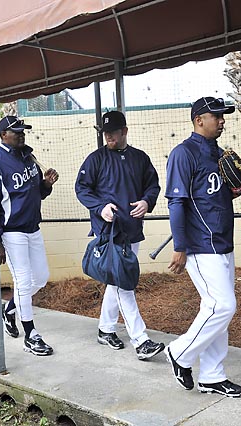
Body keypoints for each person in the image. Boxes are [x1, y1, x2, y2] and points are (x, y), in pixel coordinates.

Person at [164, 97, 241, 397]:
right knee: (222, 306)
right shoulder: (183, 154)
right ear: (199, 120)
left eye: (223, 116)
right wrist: (180, 246)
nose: (222, 120)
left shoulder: (219, 154)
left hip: (223, 241)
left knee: (217, 312)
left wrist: (237, 189)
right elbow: (177, 202)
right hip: (200, 245)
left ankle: (212, 375)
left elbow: (216, 198)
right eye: (217, 116)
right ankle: (179, 352)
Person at [75, 110, 165, 361]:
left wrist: (148, 201)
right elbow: (81, 188)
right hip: (110, 233)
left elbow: (153, 185)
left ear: (124, 131)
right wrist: (100, 207)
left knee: (116, 283)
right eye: (105, 133)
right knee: (124, 283)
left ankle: (105, 329)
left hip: (133, 229)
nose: (108, 137)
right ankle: (141, 340)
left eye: (112, 132)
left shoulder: (139, 158)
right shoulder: (95, 159)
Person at [0, 115, 59, 356]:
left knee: (41, 278)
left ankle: (10, 309)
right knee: (24, 282)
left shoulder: (28, 157)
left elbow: (38, 193)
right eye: (16, 131)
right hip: (12, 231)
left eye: (23, 130)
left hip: (33, 227)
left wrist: (46, 184)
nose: (21, 134)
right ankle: (31, 334)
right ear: (3, 135)